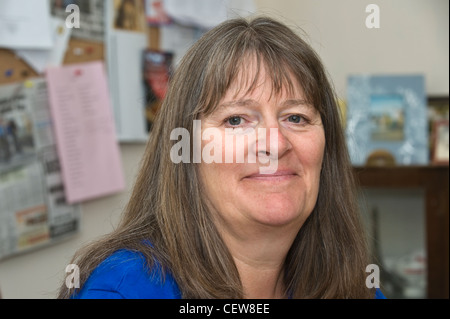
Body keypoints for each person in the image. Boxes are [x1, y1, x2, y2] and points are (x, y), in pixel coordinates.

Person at [58, 16, 385, 299]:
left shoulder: (354, 285)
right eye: (236, 120)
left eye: (296, 117)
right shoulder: (123, 289)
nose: (275, 143)